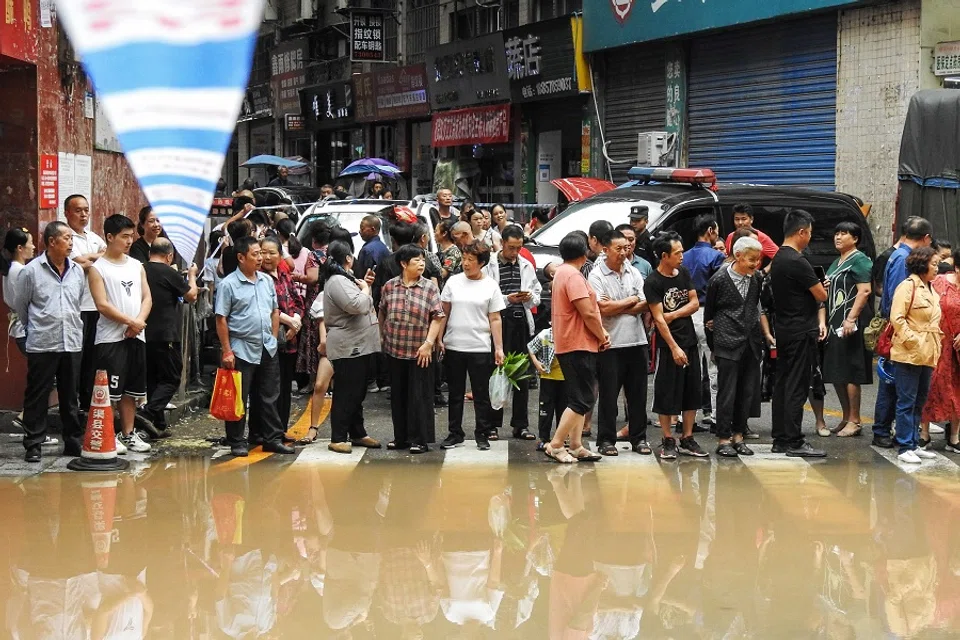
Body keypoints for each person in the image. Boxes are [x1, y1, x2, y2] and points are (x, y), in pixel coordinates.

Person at [215, 236, 294, 457]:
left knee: (270, 395)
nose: (261, 258)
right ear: (241, 257)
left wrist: (272, 336)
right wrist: (227, 350)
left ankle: (271, 438)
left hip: (267, 346)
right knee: (239, 397)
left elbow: (274, 311)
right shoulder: (228, 284)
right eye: (255, 254)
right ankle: (237, 441)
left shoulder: (266, 281)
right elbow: (221, 319)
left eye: (261, 253)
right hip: (241, 347)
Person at [15, 222, 85, 463]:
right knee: (38, 394)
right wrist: (36, 328)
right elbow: (22, 307)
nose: (71, 242)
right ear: (52, 241)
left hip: (72, 340)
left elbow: (76, 304)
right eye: (66, 238)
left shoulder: (77, 270)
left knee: (70, 395)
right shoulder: (31, 271)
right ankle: (34, 444)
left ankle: (73, 441)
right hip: (43, 342)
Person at [87, 214, 153, 454]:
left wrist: (138, 323)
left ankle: (128, 434)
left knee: (131, 391)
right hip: (110, 338)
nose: (128, 241)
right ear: (109, 237)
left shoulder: (136, 265)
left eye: (130, 236)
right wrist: (129, 321)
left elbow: (147, 297)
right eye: (124, 237)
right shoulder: (98, 269)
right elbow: (102, 305)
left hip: (136, 336)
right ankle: (108, 434)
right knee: (110, 391)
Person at [644, 232, 709, 459]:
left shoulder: (683, 273)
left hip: (689, 340)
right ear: (664, 256)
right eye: (677, 252)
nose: (682, 256)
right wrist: (673, 347)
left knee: (692, 392)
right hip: (667, 345)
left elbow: (694, 303)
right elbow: (658, 320)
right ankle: (668, 439)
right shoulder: (653, 282)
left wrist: (672, 315)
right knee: (666, 393)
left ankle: (687, 437)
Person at [768, 209, 828, 457]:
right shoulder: (797, 260)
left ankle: (781, 437)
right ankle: (793, 440)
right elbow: (821, 295)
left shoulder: (779, 259)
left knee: (783, 384)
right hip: (800, 330)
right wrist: (820, 286)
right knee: (796, 386)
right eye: (810, 233)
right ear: (801, 232)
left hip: (784, 328)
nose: (810, 238)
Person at [544, 232, 608, 463]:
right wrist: (602, 336)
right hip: (578, 343)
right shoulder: (573, 276)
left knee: (579, 397)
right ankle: (556, 444)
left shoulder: (562, 272)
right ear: (584, 253)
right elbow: (588, 312)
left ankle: (576, 444)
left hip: (570, 342)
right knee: (582, 399)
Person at [871, 216, 933, 448]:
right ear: (926, 238)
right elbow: (899, 303)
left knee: (896, 383)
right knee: (893, 383)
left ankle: (887, 430)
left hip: (901, 331)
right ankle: (882, 430)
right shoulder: (903, 259)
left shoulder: (899, 255)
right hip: (900, 332)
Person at [588, 228, 650, 456]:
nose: (624, 252)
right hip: (610, 343)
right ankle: (605, 440)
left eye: (626, 248)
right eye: (619, 249)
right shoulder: (596, 275)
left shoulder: (633, 272)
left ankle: (639, 438)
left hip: (636, 342)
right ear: (605, 250)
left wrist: (618, 304)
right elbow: (601, 308)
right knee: (608, 395)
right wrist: (630, 301)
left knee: (637, 395)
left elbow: (644, 302)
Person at [438, 242, 506, 451]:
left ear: (482, 263)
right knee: (455, 392)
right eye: (464, 259)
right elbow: (444, 313)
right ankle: (455, 432)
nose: (465, 264)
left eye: (470, 260)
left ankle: (482, 432)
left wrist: (498, 347)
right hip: (454, 345)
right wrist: (439, 339)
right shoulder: (453, 282)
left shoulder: (490, 286)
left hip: (480, 347)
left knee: (481, 393)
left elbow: (495, 318)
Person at [379, 244, 445, 453]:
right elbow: (382, 311)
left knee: (420, 396)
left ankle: (420, 439)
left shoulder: (429, 287)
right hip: (395, 348)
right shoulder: (390, 286)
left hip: (420, 351)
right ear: (403, 264)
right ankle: (401, 438)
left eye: (422, 260)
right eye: (416, 260)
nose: (421, 264)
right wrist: (382, 336)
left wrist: (428, 344)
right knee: (398, 395)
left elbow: (437, 317)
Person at [704, 237, 766, 457]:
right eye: (751, 259)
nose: (755, 264)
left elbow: (758, 307)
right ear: (738, 256)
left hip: (751, 342)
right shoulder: (718, 279)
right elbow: (708, 314)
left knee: (746, 392)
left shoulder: (756, 278)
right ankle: (723, 438)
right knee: (726, 393)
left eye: (757, 260)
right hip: (726, 342)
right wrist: (716, 345)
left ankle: (739, 436)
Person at [323, 240, 383, 454]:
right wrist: (366, 289)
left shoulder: (346, 279)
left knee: (356, 392)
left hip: (359, 344)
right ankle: (338, 437)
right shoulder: (338, 280)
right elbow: (357, 305)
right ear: (348, 258)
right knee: (346, 391)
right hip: (349, 345)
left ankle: (357, 432)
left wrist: (366, 285)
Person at [483, 225, 541, 441]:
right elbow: (487, 295)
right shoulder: (489, 264)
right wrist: (508, 299)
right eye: (510, 248)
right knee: (497, 372)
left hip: (521, 323)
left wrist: (529, 298)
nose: (514, 252)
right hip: (498, 323)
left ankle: (520, 425)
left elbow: (537, 291)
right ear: (502, 244)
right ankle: (492, 424)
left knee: (522, 375)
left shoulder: (525, 265)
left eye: (518, 248)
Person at [139, 239, 198, 436]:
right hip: (166, 333)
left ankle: (158, 425)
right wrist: (192, 276)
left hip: (143, 331)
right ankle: (148, 413)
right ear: (169, 255)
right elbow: (191, 296)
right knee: (172, 376)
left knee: (154, 378)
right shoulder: (168, 272)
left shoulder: (140, 269)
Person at [889, 247, 943, 464]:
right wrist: (914, 341)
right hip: (909, 353)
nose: (937, 268)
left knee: (919, 400)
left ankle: (913, 443)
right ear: (923, 264)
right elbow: (897, 318)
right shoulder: (907, 286)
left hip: (929, 352)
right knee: (906, 400)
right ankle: (904, 445)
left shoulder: (930, 288)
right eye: (935, 264)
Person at [821, 222, 873, 437]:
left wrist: (851, 318)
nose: (838, 237)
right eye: (837, 233)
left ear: (855, 239)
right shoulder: (836, 261)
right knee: (838, 370)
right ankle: (845, 416)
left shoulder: (859, 260)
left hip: (851, 322)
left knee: (851, 370)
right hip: (835, 322)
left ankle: (855, 420)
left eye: (844, 233)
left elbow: (865, 290)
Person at [64, 194, 107, 412]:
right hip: (77, 308)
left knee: (93, 357)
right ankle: (73, 405)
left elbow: (105, 258)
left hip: (96, 305)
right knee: (75, 359)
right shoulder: (65, 237)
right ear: (67, 213)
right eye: (78, 210)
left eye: (86, 210)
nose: (83, 215)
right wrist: (92, 259)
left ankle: (87, 402)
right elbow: (78, 263)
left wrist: (91, 259)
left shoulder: (94, 237)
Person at [683, 214, 726, 427]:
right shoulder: (716, 257)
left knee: (688, 368)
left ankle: (684, 418)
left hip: (685, 314)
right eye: (715, 230)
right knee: (713, 367)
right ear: (710, 231)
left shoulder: (683, 256)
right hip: (707, 314)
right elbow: (720, 289)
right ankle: (717, 416)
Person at [258, 236, 304, 430]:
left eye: (272, 253)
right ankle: (268, 430)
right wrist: (290, 321)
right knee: (269, 389)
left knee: (285, 387)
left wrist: (296, 323)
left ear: (280, 255)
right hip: (270, 340)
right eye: (263, 252)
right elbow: (268, 308)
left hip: (290, 339)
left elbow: (298, 302)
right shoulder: (259, 277)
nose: (267, 257)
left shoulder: (284, 275)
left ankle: (282, 429)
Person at [922, 247, 960, 452]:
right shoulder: (939, 283)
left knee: (957, 390)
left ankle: (953, 437)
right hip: (936, 345)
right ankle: (924, 433)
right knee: (930, 386)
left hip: (957, 349)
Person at [527, 327, 566, 450]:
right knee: (546, 409)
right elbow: (531, 347)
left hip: (566, 379)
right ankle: (544, 438)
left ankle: (562, 438)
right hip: (548, 377)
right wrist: (537, 363)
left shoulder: (570, 333)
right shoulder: (545, 334)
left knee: (564, 409)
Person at [2, 227, 34, 357]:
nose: (33, 247)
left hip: (21, 329)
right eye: (30, 243)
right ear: (20, 248)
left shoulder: (11, 268)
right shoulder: (22, 271)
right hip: (27, 330)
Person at [353, 215, 391, 279]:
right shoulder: (384, 248)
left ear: (372, 229)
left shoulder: (367, 250)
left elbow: (361, 275)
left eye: (362, 229)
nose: (360, 231)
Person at [435, 220, 462, 288]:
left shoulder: (453, 252)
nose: (434, 233)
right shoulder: (441, 250)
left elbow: (443, 273)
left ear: (444, 233)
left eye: (436, 231)